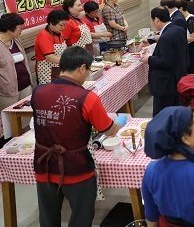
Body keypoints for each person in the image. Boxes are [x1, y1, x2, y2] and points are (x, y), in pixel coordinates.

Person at [32, 46, 126, 227]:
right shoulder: (86, 97)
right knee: (81, 218)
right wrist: (120, 122)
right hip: (77, 168)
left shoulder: (38, 92)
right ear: (82, 68)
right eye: (88, 69)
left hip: (45, 166)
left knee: (47, 219)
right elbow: (108, 130)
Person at [141, 7, 187, 116]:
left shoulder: (166, 37)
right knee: (176, 110)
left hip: (166, 83)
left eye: (152, 20)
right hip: (178, 76)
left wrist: (149, 59)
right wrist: (156, 38)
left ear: (156, 20)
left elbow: (166, 62)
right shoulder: (178, 29)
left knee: (160, 115)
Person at [0, 13, 34, 111]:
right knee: (9, 119)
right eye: (20, 27)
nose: (21, 30)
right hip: (7, 90)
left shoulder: (16, 41)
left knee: (25, 114)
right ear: (10, 28)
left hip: (25, 84)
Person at [35, 9, 70, 85]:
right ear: (51, 23)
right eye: (61, 25)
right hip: (47, 73)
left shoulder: (60, 34)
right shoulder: (43, 35)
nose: (63, 27)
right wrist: (70, 62)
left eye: (65, 25)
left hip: (59, 70)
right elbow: (50, 57)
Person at [161, 0, 191, 70]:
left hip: (178, 57)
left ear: (166, 7)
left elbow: (177, 38)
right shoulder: (174, 15)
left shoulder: (178, 19)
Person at [177, 0, 194, 73]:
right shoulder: (182, 19)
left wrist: (178, 39)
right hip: (184, 47)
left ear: (181, 9)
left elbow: (193, 37)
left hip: (190, 49)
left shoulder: (190, 19)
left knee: (189, 70)